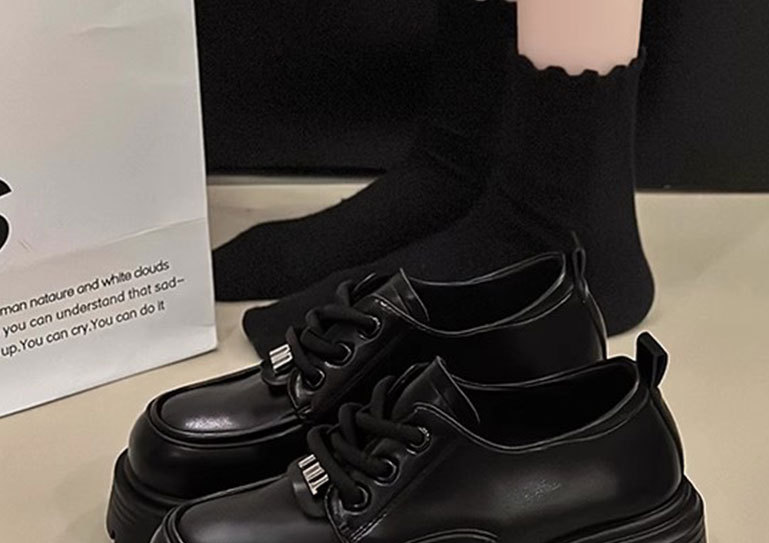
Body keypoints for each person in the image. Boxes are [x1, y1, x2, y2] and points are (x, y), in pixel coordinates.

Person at [216, 0, 652, 352]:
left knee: (540, 208)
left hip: (559, 240)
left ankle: (556, 234)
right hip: (465, 175)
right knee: (458, 162)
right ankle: (459, 175)